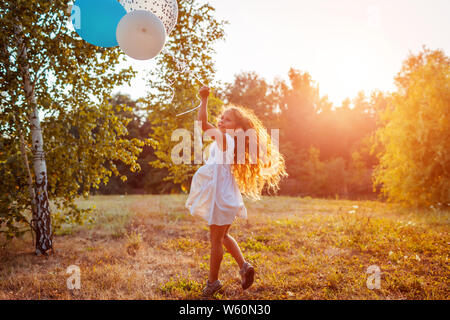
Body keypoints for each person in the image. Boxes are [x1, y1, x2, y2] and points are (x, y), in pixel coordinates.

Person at [185, 86, 288, 297]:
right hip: (226, 194)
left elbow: (203, 124)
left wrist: (203, 99)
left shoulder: (225, 139)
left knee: (215, 240)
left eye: (227, 120)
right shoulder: (228, 139)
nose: (221, 121)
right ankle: (244, 267)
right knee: (223, 236)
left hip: (221, 196)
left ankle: (212, 282)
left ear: (237, 128)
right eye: (221, 118)